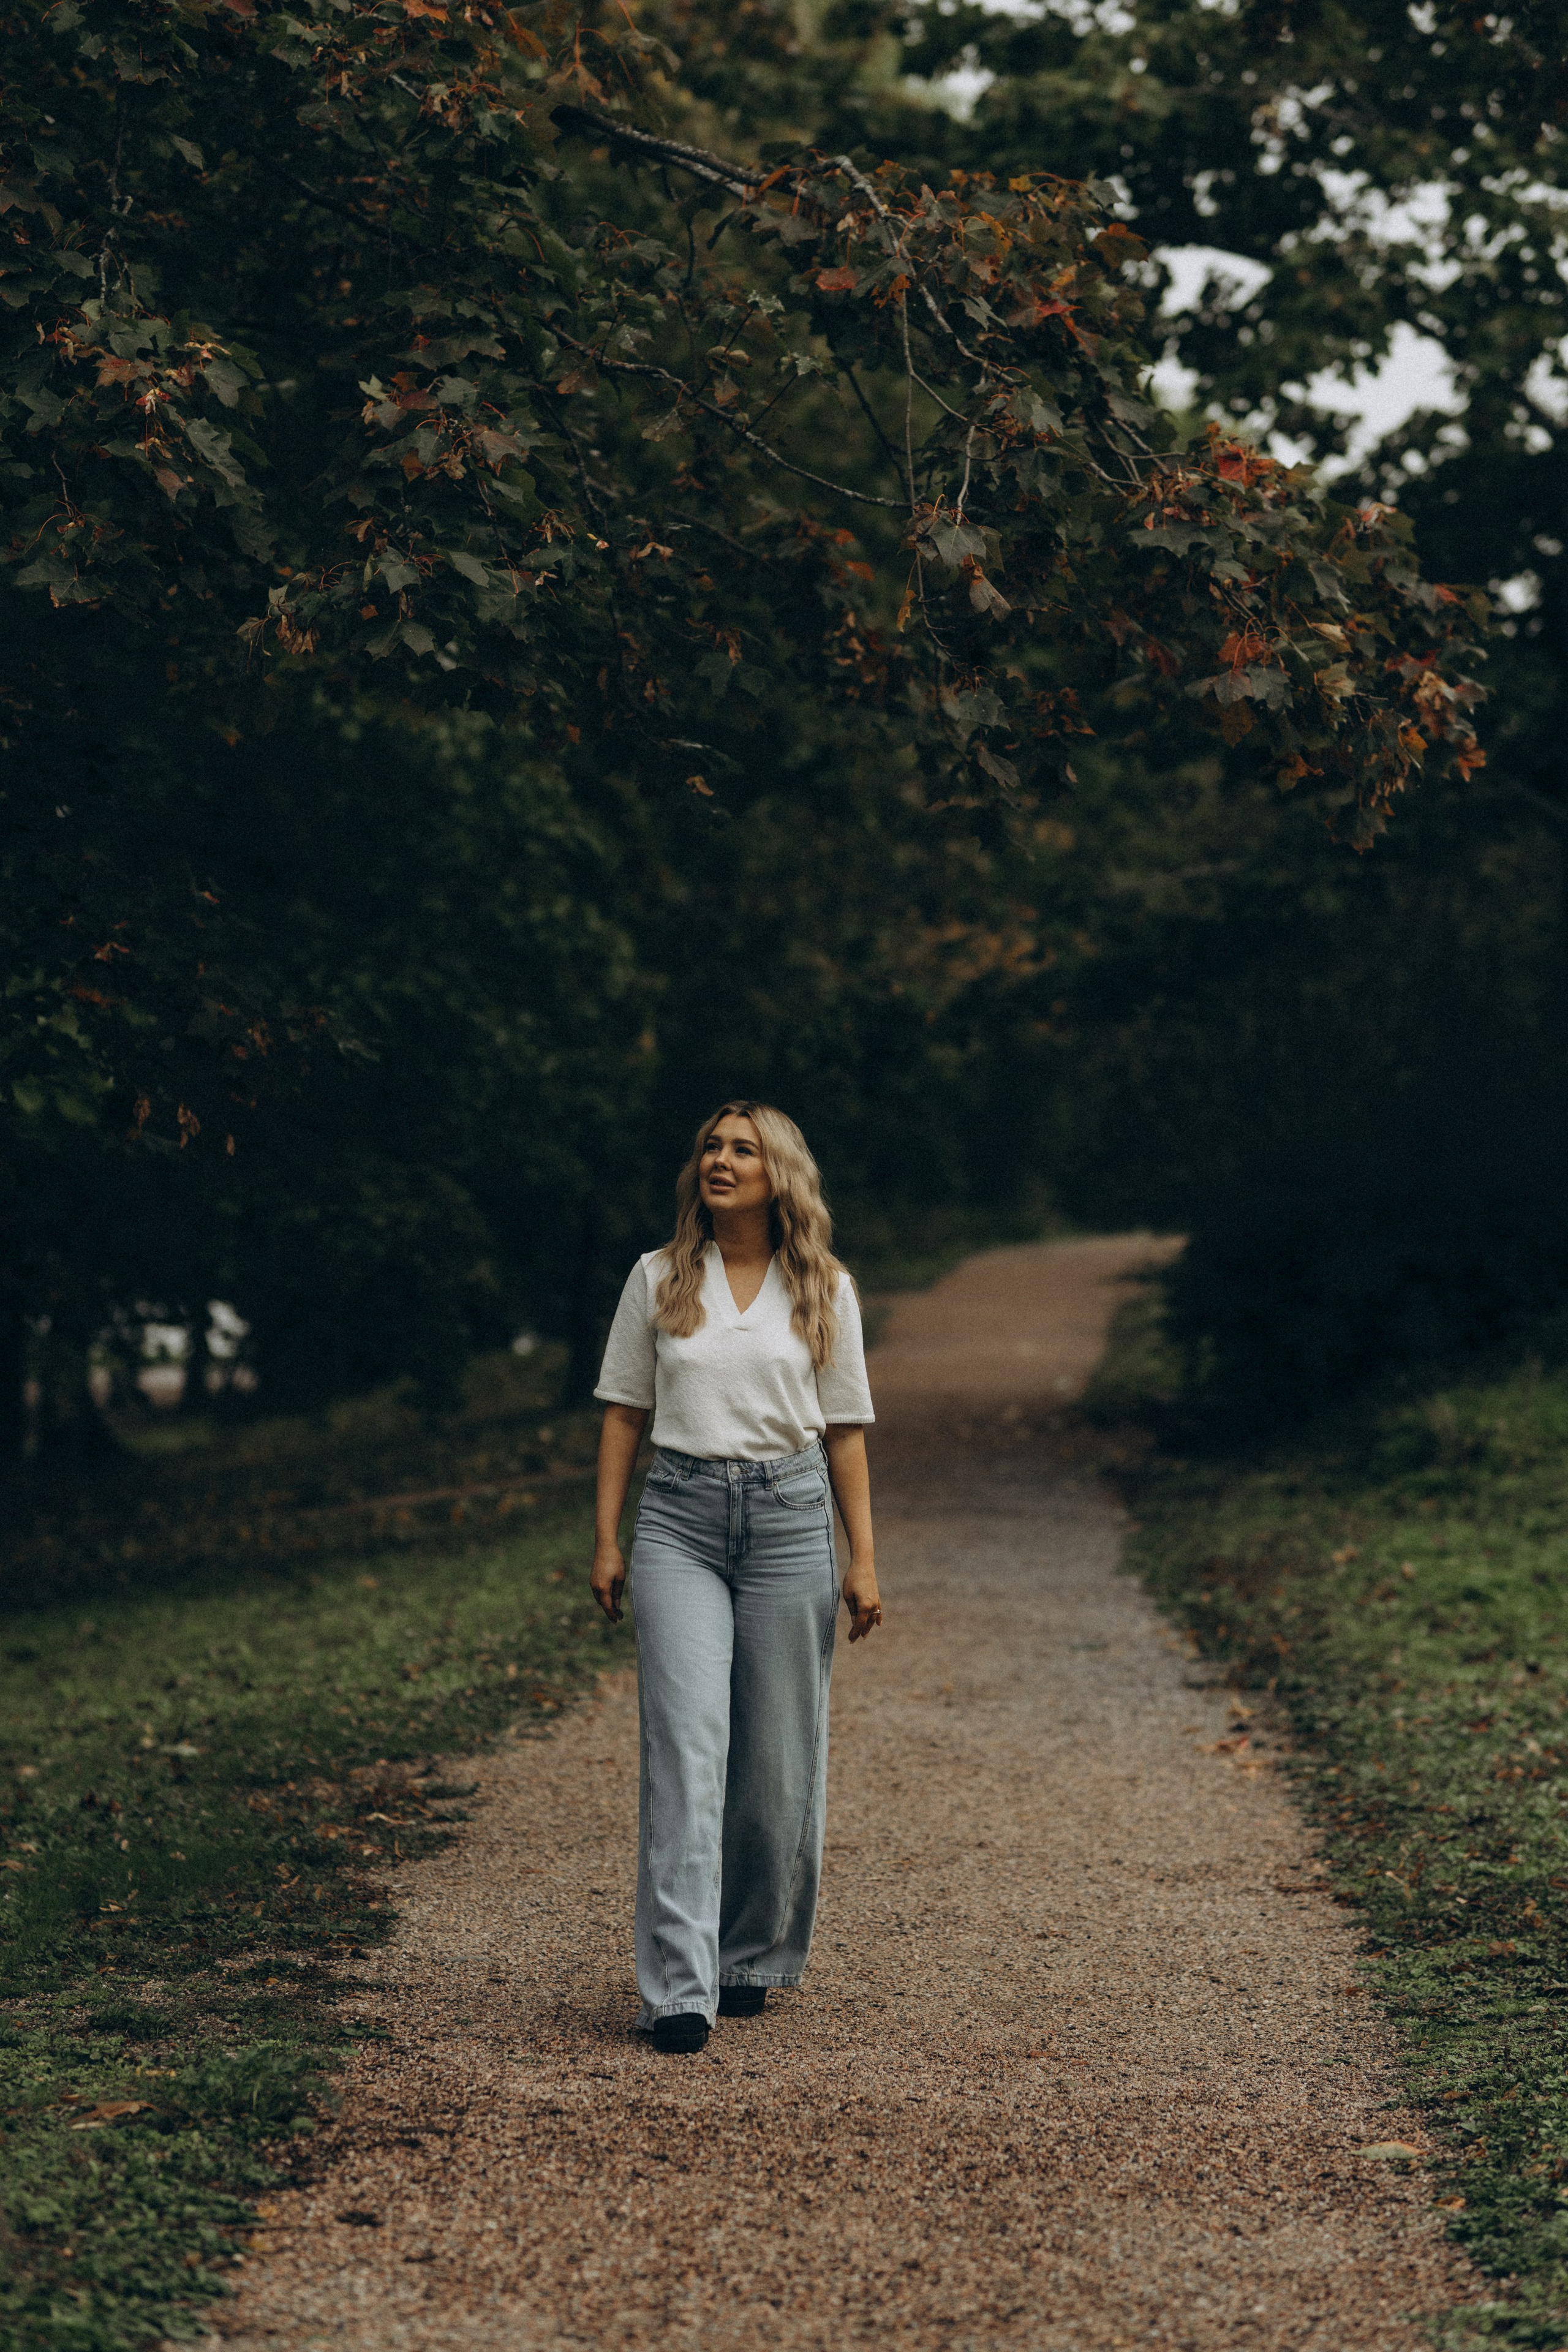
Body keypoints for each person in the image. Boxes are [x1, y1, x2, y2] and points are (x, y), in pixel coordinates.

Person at [590, 1099, 881, 2056]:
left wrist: (864, 1559)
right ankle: (677, 1988)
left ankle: (750, 1953)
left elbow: (843, 1429)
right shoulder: (660, 1276)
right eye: (710, 1144)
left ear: (778, 1173)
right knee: (686, 1744)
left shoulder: (824, 1287)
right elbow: (626, 1411)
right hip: (677, 1519)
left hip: (792, 1521)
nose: (720, 1159)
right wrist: (607, 1538)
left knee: (775, 1755)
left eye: (743, 1149)